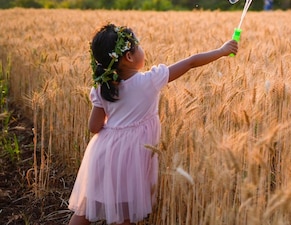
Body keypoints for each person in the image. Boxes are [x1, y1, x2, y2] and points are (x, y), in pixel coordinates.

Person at [68, 23, 238, 225]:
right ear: (129, 57)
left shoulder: (102, 88)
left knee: (86, 209)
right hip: (131, 158)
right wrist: (221, 51)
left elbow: (94, 127)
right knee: (125, 214)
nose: (142, 50)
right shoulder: (150, 81)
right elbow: (191, 63)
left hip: (103, 153)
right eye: (138, 46)